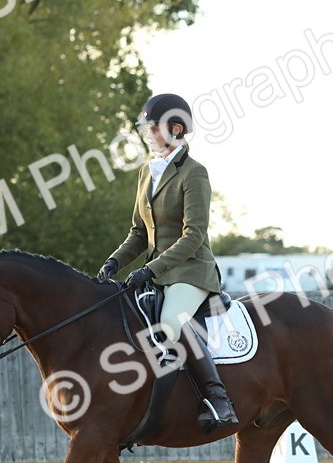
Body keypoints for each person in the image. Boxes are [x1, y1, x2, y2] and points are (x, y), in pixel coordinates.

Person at [96, 93, 239, 434]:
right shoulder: (147, 171)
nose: (146, 132)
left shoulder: (194, 174)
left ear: (175, 129)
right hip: (157, 273)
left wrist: (151, 269)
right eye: (144, 126)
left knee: (169, 323)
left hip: (191, 271)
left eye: (152, 126)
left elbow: (193, 236)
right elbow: (138, 232)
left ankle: (218, 399)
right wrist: (114, 263)